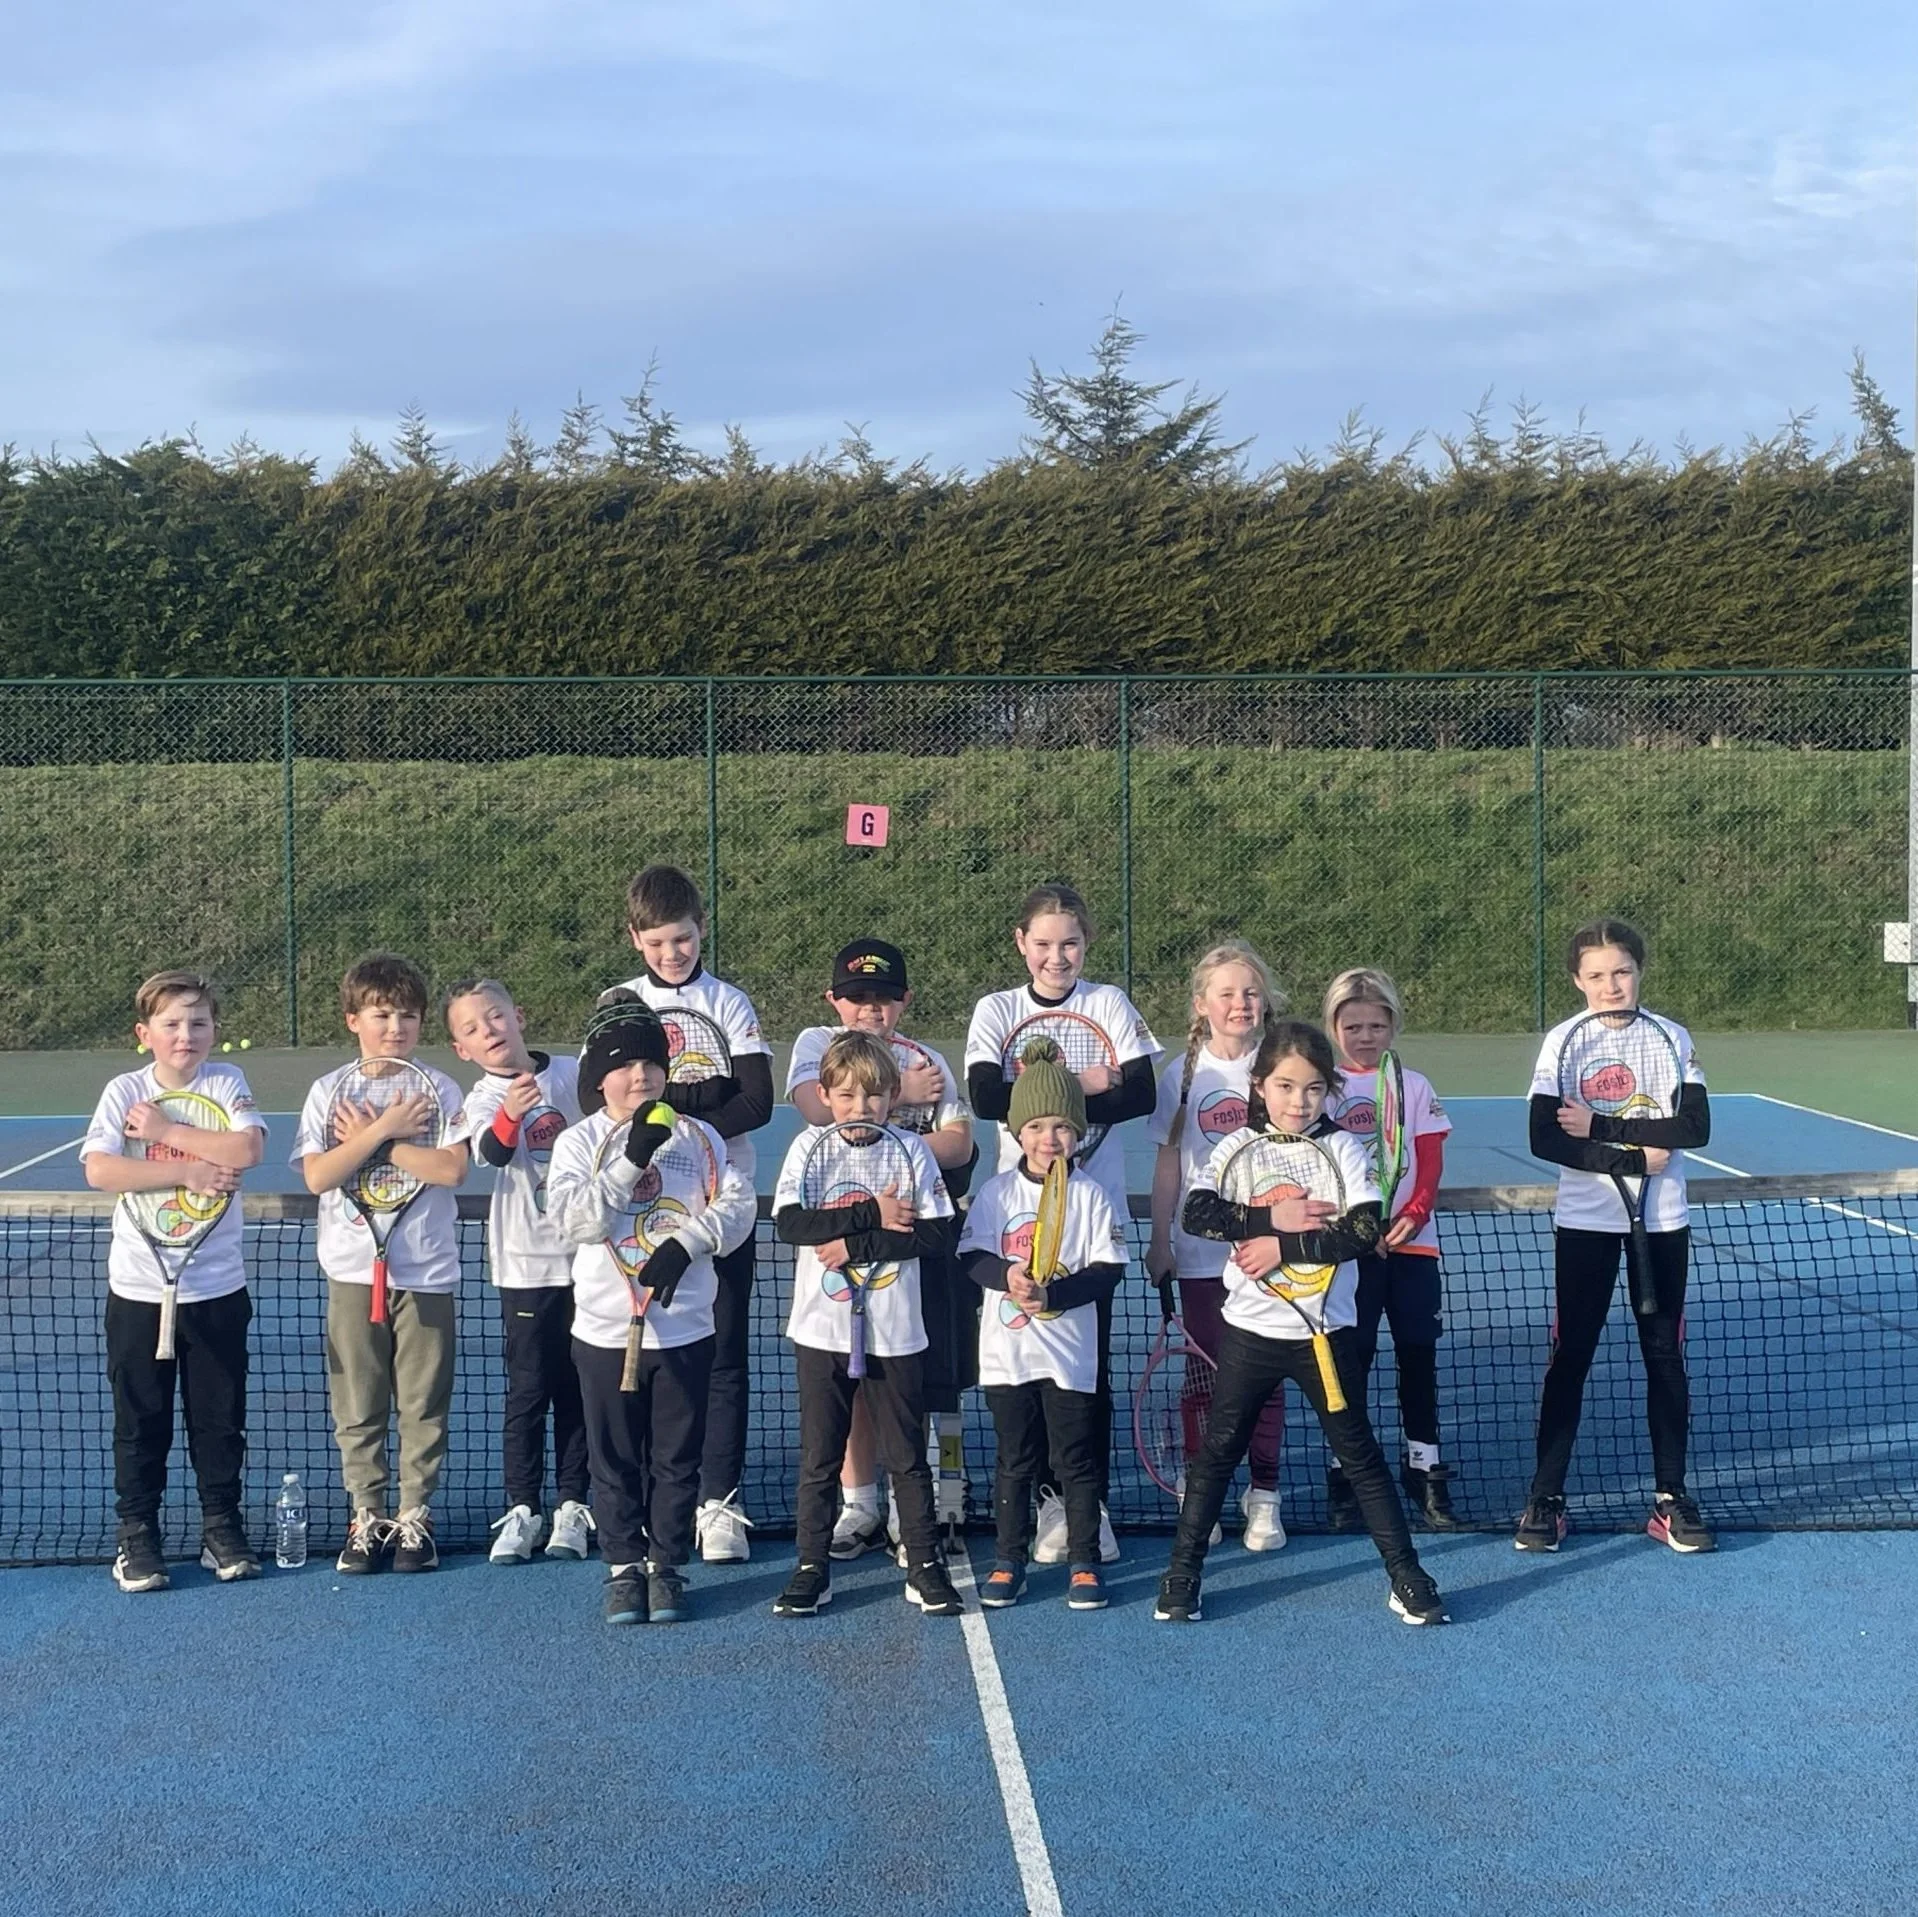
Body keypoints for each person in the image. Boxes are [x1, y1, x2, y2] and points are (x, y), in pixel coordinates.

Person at [1155, 1018, 1449, 1627]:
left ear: (1329, 1091)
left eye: (1313, 1089)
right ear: (1260, 1086)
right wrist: (1272, 1219)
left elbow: (1363, 1230)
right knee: (1217, 1454)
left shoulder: (1343, 1149)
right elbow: (1198, 1213)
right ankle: (1182, 1576)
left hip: (1324, 1338)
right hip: (1251, 1336)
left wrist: (1281, 1247)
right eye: (1285, 1087)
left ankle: (1408, 1576)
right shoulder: (1234, 1148)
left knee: (1360, 1456)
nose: (1298, 1101)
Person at [964, 879, 1161, 1564]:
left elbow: (1143, 1092)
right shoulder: (996, 1009)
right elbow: (988, 1095)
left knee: (1086, 1375)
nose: (1057, 956)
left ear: (1087, 943)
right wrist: (1089, 1081)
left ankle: (1086, 1503)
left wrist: (1066, 1089)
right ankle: (1046, 1502)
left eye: (1070, 942)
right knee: (1021, 1378)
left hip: (1086, 1222)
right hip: (1015, 1217)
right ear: (1022, 943)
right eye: (1043, 943)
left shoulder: (1108, 1003)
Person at [545, 992, 756, 1625]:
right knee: (612, 1459)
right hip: (605, 1331)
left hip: (686, 1328)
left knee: (676, 1459)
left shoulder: (703, 1138)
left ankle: (666, 1566)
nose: (639, 1077)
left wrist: (687, 1243)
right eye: (622, 1065)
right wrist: (632, 1157)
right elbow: (573, 1220)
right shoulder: (580, 1143)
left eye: (650, 1065)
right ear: (597, 1078)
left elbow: (738, 1210)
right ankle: (623, 1568)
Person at [1515, 919, 1714, 1555]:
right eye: (1596, 975)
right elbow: (1545, 1137)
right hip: (1585, 1225)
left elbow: (1694, 1128)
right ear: (1578, 980)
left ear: (1639, 972)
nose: (1611, 985)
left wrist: (1600, 1125)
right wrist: (1631, 1155)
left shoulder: (1670, 1036)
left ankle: (1670, 1498)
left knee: (1664, 1355)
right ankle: (1545, 1498)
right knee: (1570, 1357)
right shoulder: (1562, 1041)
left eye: (1621, 972)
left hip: (1662, 1224)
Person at [786, 938, 975, 1561]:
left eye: (885, 998)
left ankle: (938, 1495)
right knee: (855, 1380)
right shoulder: (818, 1047)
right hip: (845, 1249)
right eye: (859, 998)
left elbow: (961, 1147)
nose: (871, 1010)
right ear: (836, 1001)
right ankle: (860, 1502)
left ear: (904, 1003)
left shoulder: (929, 1064)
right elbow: (820, 1114)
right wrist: (902, 1105)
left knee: (936, 1379)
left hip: (918, 1241)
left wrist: (904, 1139)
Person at [80, 970, 268, 1591]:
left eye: (198, 1022)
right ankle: (138, 1535)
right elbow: (102, 1170)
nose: (186, 1034)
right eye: (171, 1023)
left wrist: (164, 1137)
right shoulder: (123, 1090)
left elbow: (245, 1152)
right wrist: (187, 1170)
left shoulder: (227, 1081)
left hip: (216, 1288)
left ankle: (221, 1527)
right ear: (145, 1034)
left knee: (219, 1418)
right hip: (139, 1289)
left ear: (214, 1030)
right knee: (141, 1420)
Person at [770, 1032, 963, 1619]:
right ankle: (811, 1568)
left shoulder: (912, 1150)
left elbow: (934, 1236)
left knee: (906, 1456)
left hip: (896, 1331)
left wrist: (852, 1241)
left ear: (893, 1098)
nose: (862, 1107)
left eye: (875, 1096)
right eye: (849, 1095)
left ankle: (925, 1566)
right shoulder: (808, 1148)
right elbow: (791, 1224)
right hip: (821, 1332)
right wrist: (871, 1216)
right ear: (826, 1095)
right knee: (820, 1456)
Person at [614, 864, 774, 1564]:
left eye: (681, 939)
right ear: (635, 939)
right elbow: (608, 1102)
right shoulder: (619, 1001)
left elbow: (757, 1104)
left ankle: (720, 1503)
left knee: (724, 1354)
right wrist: (705, 1093)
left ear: (700, 928)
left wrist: (674, 1104)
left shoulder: (729, 1003)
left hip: (723, 1205)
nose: (671, 953)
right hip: (643, 1211)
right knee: (655, 1358)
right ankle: (659, 1498)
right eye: (656, 943)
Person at [293, 952, 470, 1575]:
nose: (395, 1027)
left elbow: (449, 1168)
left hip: (426, 1271)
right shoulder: (328, 1091)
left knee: (423, 1403)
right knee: (358, 1402)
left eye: (408, 1016)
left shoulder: (442, 1089)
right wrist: (383, 1133)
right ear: (353, 1020)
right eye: (381, 1014)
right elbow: (320, 1175)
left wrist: (380, 1137)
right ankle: (366, 1517)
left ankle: (414, 1517)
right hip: (350, 1271)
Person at [960, 1042, 1127, 1609]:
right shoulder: (996, 1193)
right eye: (1035, 1126)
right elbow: (971, 1257)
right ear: (1016, 1133)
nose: (1048, 1138)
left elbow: (1107, 1271)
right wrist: (1007, 1275)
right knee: (1015, 1459)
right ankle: (1009, 1559)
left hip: (1070, 1357)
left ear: (1078, 1133)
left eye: (1061, 1126)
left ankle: (1083, 1560)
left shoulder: (1091, 1197)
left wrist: (1053, 1293)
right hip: (1008, 1356)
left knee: (1074, 1460)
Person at [446, 976, 593, 1565]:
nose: (490, 1032)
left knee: (581, 1390)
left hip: (589, 1262)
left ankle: (572, 1507)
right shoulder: (481, 1098)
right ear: (463, 1050)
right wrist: (510, 1113)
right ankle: (522, 1508)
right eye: (473, 1029)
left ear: (519, 1016)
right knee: (529, 1390)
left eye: (496, 1018)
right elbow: (494, 1153)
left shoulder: (572, 1076)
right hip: (526, 1267)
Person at [1145, 940, 1285, 1550]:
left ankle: (1264, 1496)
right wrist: (1159, 1239)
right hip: (1200, 1254)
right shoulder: (1181, 1076)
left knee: (1266, 1378)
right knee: (1205, 1380)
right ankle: (1202, 1488)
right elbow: (1170, 1163)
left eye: (1250, 992)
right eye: (1226, 993)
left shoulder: (1282, 1064)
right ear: (1202, 1005)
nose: (1240, 1003)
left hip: (1272, 1255)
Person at [1321, 967, 1458, 1531]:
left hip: (1410, 1246)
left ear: (1393, 1026)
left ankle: (1423, 1468)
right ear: (1334, 1026)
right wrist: (1358, 1229)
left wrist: (1414, 1212)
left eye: (1377, 1024)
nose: (1366, 1035)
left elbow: (1428, 1159)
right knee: (1352, 1362)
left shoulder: (1414, 1085)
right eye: (1353, 1025)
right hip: (1350, 1250)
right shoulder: (1320, 1085)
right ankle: (1346, 1474)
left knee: (1417, 1356)